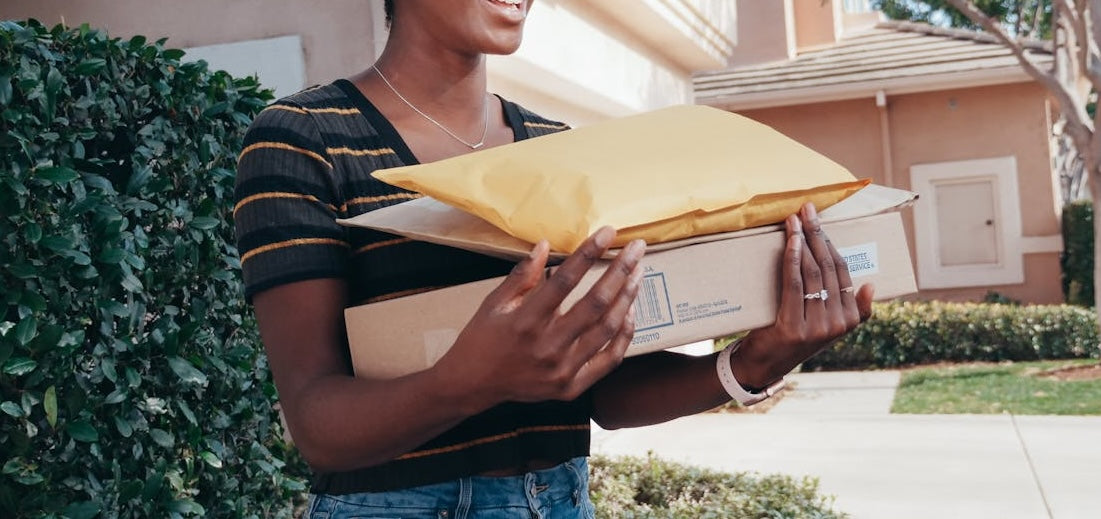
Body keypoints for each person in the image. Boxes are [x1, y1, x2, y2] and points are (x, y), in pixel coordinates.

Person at [233, 0, 874, 517]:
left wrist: (752, 363)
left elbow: (606, 393)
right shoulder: (303, 140)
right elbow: (317, 425)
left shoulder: (556, 150)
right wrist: (468, 381)